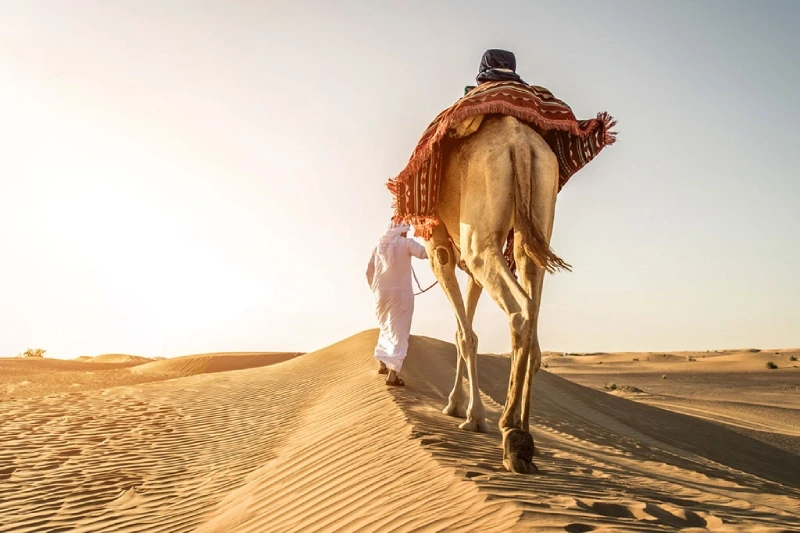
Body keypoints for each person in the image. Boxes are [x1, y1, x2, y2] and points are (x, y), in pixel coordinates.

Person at [366, 219, 428, 386]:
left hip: (380, 295)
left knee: (386, 327)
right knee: (400, 333)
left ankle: (381, 362)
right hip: (401, 296)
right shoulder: (406, 243)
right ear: (402, 230)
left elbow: (368, 271)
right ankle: (393, 374)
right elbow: (425, 253)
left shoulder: (379, 245)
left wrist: (376, 290)